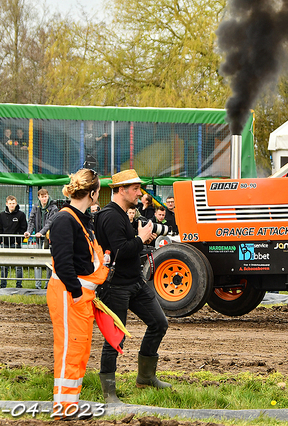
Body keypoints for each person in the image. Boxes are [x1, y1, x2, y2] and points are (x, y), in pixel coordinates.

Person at [94, 169, 170, 403]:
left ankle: (145, 377)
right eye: (135, 188)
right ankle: (109, 392)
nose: (140, 193)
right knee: (115, 338)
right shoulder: (110, 216)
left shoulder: (122, 214)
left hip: (134, 282)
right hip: (115, 287)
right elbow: (120, 250)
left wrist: (139, 239)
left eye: (139, 188)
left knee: (159, 323)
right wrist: (141, 238)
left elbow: (126, 248)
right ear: (120, 190)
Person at [47, 168, 108, 418]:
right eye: (99, 193)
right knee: (69, 349)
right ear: (92, 193)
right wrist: (76, 293)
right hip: (69, 293)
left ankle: (70, 403)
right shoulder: (65, 219)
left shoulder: (80, 218)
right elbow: (63, 263)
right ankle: (63, 407)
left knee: (79, 349)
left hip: (79, 295)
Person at [25, 189, 59, 289]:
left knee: (49, 262)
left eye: (45, 196)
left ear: (48, 196)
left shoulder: (54, 208)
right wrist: (29, 232)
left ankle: (48, 285)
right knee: (37, 261)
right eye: (42, 197)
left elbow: (50, 222)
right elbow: (31, 220)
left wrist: (41, 232)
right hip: (38, 239)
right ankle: (37, 285)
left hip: (49, 238)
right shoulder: (36, 207)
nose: (44, 199)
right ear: (39, 197)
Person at [0, 195, 27, 288]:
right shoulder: (2, 215)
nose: (12, 205)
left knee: (18, 266)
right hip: (4, 243)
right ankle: (3, 285)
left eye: (13, 203)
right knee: (4, 265)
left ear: (16, 203)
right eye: (10, 203)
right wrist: (1, 241)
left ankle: (19, 285)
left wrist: (19, 241)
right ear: (7, 204)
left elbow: (23, 228)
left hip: (15, 243)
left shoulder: (21, 215)